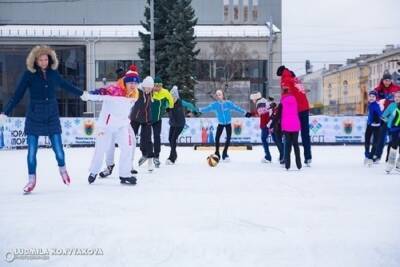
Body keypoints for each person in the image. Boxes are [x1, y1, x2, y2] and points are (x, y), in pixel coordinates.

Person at [0, 45, 84, 193]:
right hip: (34, 114)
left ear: (50, 59)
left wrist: (82, 94)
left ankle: (63, 170)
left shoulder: (53, 73)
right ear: (35, 60)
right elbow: (17, 95)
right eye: (41, 59)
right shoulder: (29, 74)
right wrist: (5, 112)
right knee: (32, 151)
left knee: (58, 150)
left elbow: (66, 85)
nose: (44, 62)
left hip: (51, 114)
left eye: (46, 59)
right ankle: (31, 180)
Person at [81, 76, 138, 185]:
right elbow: (98, 93)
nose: (132, 85)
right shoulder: (113, 90)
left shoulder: (135, 94)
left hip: (122, 125)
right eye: (130, 82)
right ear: (125, 83)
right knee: (101, 149)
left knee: (127, 148)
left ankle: (125, 175)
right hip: (105, 125)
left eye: (135, 83)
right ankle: (94, 171)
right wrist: (86, 95)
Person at [98, 65, 140, 178]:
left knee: (131, 142)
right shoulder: (115, 89)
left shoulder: (134, 91)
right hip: (110, 122)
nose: (131, 85)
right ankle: (110, 165)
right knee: (109, 145)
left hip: (124, 122)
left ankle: (128, 166)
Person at [199, 89, 250, 161]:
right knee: (217, 138)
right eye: (217, 95)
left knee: (228, 138)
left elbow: (236, 108)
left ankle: (225, 153)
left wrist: (245, 113)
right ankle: (217, 153)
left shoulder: (228, 103)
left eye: (220, 94)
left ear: (222, 95)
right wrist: (198, 110)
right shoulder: (215, 105)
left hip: (228, 123)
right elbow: (207, 108)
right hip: (221, 124)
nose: (218, 96)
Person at [277, 65, 312, 166]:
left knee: (287, 133)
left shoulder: (285, 80)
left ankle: (285, 158)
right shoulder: (296, 79)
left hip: (293, 110)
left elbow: (285, 95)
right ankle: (308, 157)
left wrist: (281, 108)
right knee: (305, 133)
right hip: (305, 107)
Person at [130, 76, 156, 172]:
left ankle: (150, 162)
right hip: (135, 119)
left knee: (148, 139)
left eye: (150, 88)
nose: (149, 90)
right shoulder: (137, 92)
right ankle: (130, 164)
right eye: (147, 88)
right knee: (131, 141)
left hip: (146, 119)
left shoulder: (150, 93)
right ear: (144, 86)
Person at [166, 86, 197, 165]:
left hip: (180, 124)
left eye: (174, 97)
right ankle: (174, 155)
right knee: (170, 139)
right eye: (171, 97)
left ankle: (172, 158)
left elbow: (190, 105)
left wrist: (194, 111)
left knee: (173, 139)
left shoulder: (181, 102)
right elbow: (162, 107)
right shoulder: (168, 102)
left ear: (177, 97)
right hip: (173, 123)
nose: (173, 99)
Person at [374, 72, 400, 162]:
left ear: (391, 80)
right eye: (385, 80)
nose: (387, 82)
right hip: (383, 115)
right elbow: (374, 100)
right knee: (381, 136)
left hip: (394, 115)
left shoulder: (396, 88)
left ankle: (389, 158)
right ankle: (377, 155)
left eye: (389, 80)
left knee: (393, 137)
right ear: (383, 80)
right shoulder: (378, 90)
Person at [150, 76, 174, 168]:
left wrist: (167, 106)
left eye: (159, 86)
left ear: (161, 86)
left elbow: (171, 102)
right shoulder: (150, 91)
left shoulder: (165, 92)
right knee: (146, 137)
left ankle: (156, 156)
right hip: (147, 119)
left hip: (157, 119)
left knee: (157, 137)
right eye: (155, 86)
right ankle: (146, 153)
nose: (157, 88)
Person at [249, 92, 273, 163]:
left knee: (264, 139)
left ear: (255, 98)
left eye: (252, 99)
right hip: (270, 122)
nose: (252, 101)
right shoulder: (264, 101)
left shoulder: (259, 103)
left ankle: (268, 157)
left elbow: (261, 113)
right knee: (276, 139)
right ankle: (282, 155)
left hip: (266, 124)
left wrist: (251, 114)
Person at [281, 88, 302, 170]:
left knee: (288, 145)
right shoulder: (295, 100)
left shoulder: (282, 101)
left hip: (286, 125)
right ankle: (298, 163)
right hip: (295, 125)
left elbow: (279, 114)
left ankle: (287, 164)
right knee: (296, 144)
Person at [381, 91, 400, 173]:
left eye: (399, 97)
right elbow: (383, 116)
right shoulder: (392, 105)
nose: (397, 98)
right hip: (394, 129)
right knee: (394, 145)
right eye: (396, 96)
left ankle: (399, 164)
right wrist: (389, 122)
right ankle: (390, 163)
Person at [364, 91, 382, 165]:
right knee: (367, 140)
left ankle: (371, 157)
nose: (371, 98)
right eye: (370, 96)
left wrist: (376, 122)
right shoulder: (370, 104)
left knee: (375, 142)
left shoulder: (376, 105)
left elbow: (379, 115)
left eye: (373, 97)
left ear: (376, 98)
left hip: (376, 126)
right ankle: (367, 156)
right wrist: (369, 122)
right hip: (369, 125)